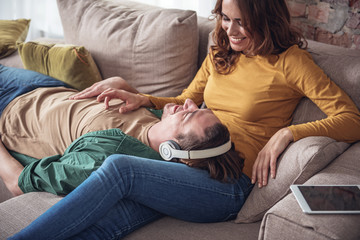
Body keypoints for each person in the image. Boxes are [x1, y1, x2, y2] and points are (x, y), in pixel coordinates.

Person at [9, 0, 360, 239]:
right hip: (183, 164)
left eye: (243, 22)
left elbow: (351, 119)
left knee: (121, 169)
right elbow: (185, 101)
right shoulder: (222, 52)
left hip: (226, 182)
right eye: (225, 17)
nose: (232, 30)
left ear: (266, 19)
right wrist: (144, 98)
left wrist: (288, 133)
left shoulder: (292, 63)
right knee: (109, 222)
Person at [0, 64, 241, 196]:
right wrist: (124, 86)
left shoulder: (108, 159)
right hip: (44, 86)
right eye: (198, 107)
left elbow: (17, 183)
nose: (187, 103)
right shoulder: (158, 119)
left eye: (188, 115)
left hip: (7, 112)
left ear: (170, 150)